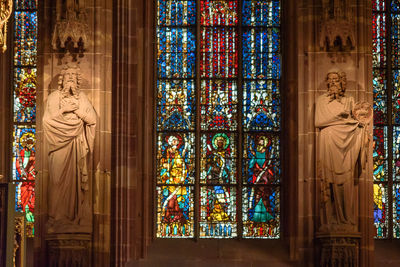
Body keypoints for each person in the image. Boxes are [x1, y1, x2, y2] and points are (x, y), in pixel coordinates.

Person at [43, 61, 96, 233]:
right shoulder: (53, 98)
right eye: (68, 76)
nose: (71, 79)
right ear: (62, 79)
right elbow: (47, 121)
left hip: (76, 144)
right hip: (58, 146)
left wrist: (78, 111)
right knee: (57, 181)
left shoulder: (82, 99)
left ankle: (73, 218)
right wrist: (64, 110)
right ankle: (55, 218)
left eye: (74, 76)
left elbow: (92, 120)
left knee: (75, 183)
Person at [315, 71, 370, 232]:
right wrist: (340, 118)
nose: (333, 83)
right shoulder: (321, 101)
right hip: (328, 143)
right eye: (330, 80)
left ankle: (346, 220)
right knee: (328, 182)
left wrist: (362, 128)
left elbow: (356, 120)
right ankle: (329, 220)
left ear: (342, 82)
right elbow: (318, 121)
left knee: (346, 182)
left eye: (336, 80)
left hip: (347, 145)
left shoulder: (349, 101)